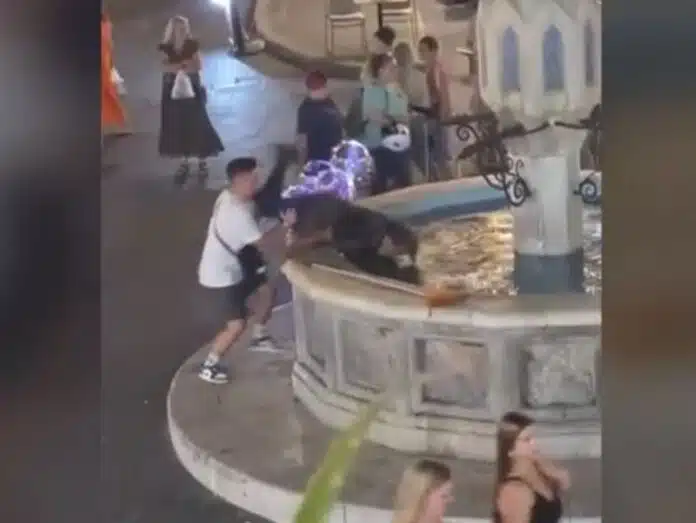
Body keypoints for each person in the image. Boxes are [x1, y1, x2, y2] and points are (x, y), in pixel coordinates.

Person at [196, 157, 296, 384]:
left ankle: (259, 336)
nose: (256, 182)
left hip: (237, 265)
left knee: (266, 290)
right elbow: (266, 243)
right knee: (236, 325)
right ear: (239, 180)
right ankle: (209, 365)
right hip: (221, 276)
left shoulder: (228, 195)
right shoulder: (237, 213)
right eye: (252, 179)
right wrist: (286, 226)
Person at [158, 16, 224, 186]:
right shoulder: (166, 47)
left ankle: (202, 161)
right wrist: (183, 65)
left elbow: (198, 65)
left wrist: (179, 66)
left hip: (192, 89)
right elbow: (164, 66)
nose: (182, 32)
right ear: (171, 31)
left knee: (198, 123)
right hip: (172, 90)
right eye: (178, 29)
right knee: (177, 125)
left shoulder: (191, 45)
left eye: (184, 28)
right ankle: (184, 161)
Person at [493, 412, 571, 523]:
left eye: (534, 437)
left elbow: (564, 482)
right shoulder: (514, 489)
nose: (534, 443)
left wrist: (544, 464)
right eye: (527, 439)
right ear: (510, 449)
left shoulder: (539, 469)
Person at [361, 53, 412, 195]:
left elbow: (404, 113)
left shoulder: (397, 90)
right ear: (381, 71)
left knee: (403, 186)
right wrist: (395, 120)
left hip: (401, 144)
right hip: (380, 145)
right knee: (380, 186)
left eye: (395, 67)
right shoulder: (371, 91)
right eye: (391, 68)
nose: (395, 71)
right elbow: (374, 116)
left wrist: (402, 119)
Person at [417, 35, 453, 180]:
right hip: (431, 116)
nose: (421, 54)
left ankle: (447, 181)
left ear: (433, 51)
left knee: (440, 154)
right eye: (420, 51)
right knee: (433, 153)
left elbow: (444, 96)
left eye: (423, 50)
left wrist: (444, 118)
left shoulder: (438, 71)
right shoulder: (428, 70)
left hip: (438, 116)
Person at [295, 71, 344, 166]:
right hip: (317, 160)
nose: (326, 89)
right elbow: (302, 139)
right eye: (324, 87)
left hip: (334, 158)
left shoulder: (329, 102)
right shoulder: (306, 109)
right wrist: (301, 164)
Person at [101, 12, 129, 138]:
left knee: (110, 95)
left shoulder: (105, 26)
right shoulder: (106, 26)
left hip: (105, 68)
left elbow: (108, 48)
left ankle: (118, 125)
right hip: (105, 67)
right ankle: (119, 125)